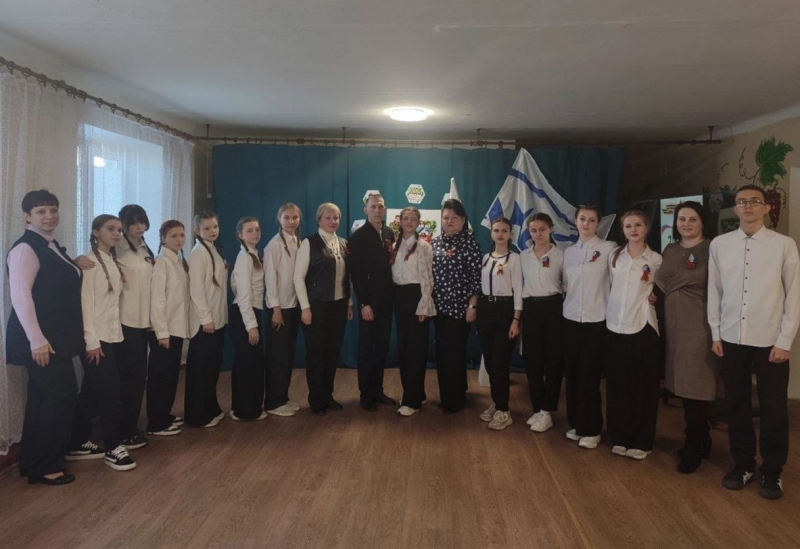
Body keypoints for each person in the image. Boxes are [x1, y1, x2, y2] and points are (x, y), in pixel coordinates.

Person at [708, 184, 800, 500]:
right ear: (735, 208)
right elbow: (714, 291)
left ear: (766, 208)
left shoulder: (783, 245)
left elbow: (794, 296)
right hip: (732, 337)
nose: (747, 206)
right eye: (742, 202)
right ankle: (743, 464)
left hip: (771, 340)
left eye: (754, 201)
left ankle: (772, 471)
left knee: (774, 407)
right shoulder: (720, 245)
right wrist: (716, 333)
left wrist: (785, 340)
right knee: (736, 404)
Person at [6, 190, 84, 485]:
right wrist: (36, 340)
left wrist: (75, 263)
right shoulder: (26, 248)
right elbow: (21, 298)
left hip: (54, 338)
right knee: (61, 396)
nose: (49, 216)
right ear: (27, 216)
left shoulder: (48, 244)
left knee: (43, 400)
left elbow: (53, 281)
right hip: (41, 340)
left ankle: (33, 462)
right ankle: (47, 466)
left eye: (53, 210)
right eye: (41, 211)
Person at [654, 202, 719, 473]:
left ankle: (694, 443)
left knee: (697, 385)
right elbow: (659, 284)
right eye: (682, 219)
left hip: (700, 326)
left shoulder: (712, 248)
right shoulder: (670, 250)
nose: (687, 224)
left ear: (703, 222)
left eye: (693, 219)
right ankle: (701, 438)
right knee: (681, 383)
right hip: (674, 327)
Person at [69, 214, 137, 471]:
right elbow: (85, 305)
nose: (117, 233)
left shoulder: (111, 261)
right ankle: (113, 446)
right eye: (111, 229)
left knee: (90, 392)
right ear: (96, 232)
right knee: (111, 392)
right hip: (95, 341)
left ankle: (75, 441)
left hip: (112, 336)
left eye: (119, 229)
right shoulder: (90, 263)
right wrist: (91, 342)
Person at [606, 210, 662, 460]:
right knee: (618, 386)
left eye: (638, 225)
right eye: (628, 226)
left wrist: (656, 298)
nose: (633, 230)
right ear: (623, 230)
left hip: (643, 326)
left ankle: (641, 440)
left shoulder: (656, 259)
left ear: (646, 228)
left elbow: (661, 290)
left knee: (643, 387)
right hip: (615, 326)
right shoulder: (614, 256)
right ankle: (619, 437)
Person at [562, 205, 617, 449]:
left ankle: (592, 429)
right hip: (571, 319)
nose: (586, 223)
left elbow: (617, 281)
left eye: (592, 220)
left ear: (598, 223)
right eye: (582, 219)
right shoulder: (569, 253)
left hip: (596, 320)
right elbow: (566, 285)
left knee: (589, 376)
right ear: (575, 221)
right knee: (573, 375)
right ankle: (576, 424)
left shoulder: (609, 248)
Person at [293, 203, 354, 415]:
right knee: (317, 354)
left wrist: (349, 303)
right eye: (328, 217)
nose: (332, 221)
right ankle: (316, 399)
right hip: (316, 306)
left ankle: (328, 395)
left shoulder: (344, 243)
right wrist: (305, 308)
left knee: (332, 353)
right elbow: (298, 278)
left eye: (336, 218)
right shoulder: (309, 243)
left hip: (338, 306)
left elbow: (348, 277)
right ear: (319, 220)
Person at [431, 199, 481, 414]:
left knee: (454, 353)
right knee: (442, 354)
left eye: (454, 217)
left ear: (463, 220)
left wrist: (472, 305)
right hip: (439, 309)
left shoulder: (470, 243)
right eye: (446, 217)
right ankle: (448, 395)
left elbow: (477, 279)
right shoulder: (435, 243)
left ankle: (455, 399)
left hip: (461, 309)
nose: (449, 221)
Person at [114, 204, 157, 450]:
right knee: (130, 379)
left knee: (139, 378)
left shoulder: (145, 248)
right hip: (126, 322)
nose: (139, 227)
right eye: (133, 223)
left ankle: (130, 426)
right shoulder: (116, 249)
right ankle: (124, 431)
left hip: (144, 322)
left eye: (142, 221)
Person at [349, 193, 396, 411]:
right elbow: (356, 274)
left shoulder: (389, 232)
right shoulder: (359, 236)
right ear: (365, 210)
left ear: (384, 210)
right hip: (369, 302)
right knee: (367, 348)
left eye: (381, 207)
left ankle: (378, 391)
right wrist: (363, 303)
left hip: (387, 300)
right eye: (373, 206)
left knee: (382, 347)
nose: (377, 210)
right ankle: (366, 395)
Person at [520, 213, 564, 434]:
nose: (538, 234)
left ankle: (547, 410)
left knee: (553, 361)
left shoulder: (561, 255)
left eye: (542, 229)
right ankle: (538, 408)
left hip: (554, 308)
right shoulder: (523, 256)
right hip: (531, 309)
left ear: (550, 229)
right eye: (534, 230)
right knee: (532, 361)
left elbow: (568, 284)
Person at [476, 218, 521, 430]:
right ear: (491, 233)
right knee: (490, 360)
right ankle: (496, 402)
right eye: (496, 230)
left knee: (500, 361)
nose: (500, 234)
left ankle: (504, 410)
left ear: (510, 234)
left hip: (505, 310)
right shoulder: (486, 258)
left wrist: (516, 320)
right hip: (486, 310)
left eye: (504, 231)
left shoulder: (515, 259)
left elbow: (519, 291)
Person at [391, 207, 436, 417]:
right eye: (406, 218)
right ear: (399, 221)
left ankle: (412, 401)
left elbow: (427, 277)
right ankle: (417, 393)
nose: (409, 222)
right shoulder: (394, 245)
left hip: (416, 297)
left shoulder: (424, 246)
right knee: (404, 349)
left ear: (419, 222)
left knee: (416, 350)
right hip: (399, 298)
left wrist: (424, 303)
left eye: (413, 219)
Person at [146, 220, 190, 437]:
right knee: (160, 378)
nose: (179, 239)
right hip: (164, 332)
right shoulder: (162, 262)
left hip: (177, 328)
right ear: (163, 238)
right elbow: (158, 300)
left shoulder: (178, 261)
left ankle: (164, 414)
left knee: (171, 376)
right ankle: (156, 422)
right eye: (174, 236)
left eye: (182, 235)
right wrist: (161, 332)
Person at [185, 211, 228, 428]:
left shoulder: (212, 249)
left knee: (211, 368)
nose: (213, 231)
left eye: (215, 227)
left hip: (217, 318)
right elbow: (197, 289)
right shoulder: (198, 253)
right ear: (197, 230)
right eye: (207, 228)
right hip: (205, 323)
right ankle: (197, 415)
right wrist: (205, 319)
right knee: (200, 371)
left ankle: (210, 406)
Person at [263, 203, 303, 417]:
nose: (291, 221)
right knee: (277, 357)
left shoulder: (297, 241)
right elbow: (270, 279)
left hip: (293, 305)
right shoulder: (274, 245)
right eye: (286, 217)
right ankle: (273, 401)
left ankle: (283, 396)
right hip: (279, 308)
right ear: (279, 219)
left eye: (294, 217)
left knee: (287, 355)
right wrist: (276, 309)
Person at [229, 217, 268, 421]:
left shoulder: (253, 254)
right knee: (247, 365)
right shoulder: (244, 257)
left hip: (252, 312)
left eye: (257, 229)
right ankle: (244, 411)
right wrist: (251, 326)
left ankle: (247, 407)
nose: (255, 233)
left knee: (251, 364)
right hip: (245, 314)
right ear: (240, 235)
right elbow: (243, 294)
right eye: (250, 231)